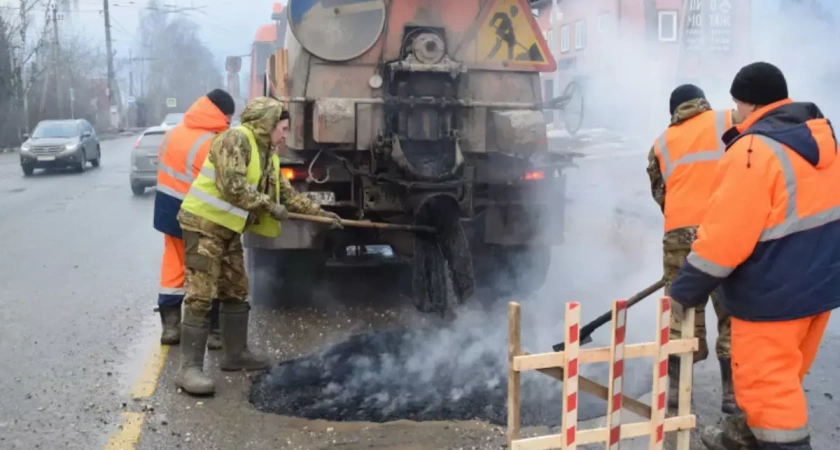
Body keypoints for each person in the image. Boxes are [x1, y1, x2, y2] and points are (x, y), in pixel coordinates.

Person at [669, 61, 840, 450]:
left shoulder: (752, 150)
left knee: (770, 397)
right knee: (784, 378)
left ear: (747, 103)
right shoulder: (821, 141)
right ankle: (743, 440)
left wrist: (685, 289)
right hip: (820, 290)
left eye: (737, 104)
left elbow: (724, 241)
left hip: (773, 298)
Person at [175, 97, 342, 395]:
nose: (284, 135)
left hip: (227, 230)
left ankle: (235, 355)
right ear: (267, 123)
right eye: (283, 128)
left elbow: (288, 195)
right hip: (203, 226)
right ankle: (188, 369)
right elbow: (233, 186)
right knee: (201, 295)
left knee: (236, 289)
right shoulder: (234, 140)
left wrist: (322, 215)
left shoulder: (267, 153)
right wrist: (268, 205)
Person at [647, 84, 741, 414]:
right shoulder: (731, 119)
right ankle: (732, 394)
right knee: (732, 311)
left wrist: (685, 231)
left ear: (674, 110)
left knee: (682, 311)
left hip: (679, 238)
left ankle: (676, 392)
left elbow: (661, 195)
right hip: (727, 229)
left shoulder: (660, 143)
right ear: (703, 102)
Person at [154, 89, 235, 348]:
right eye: (229, 117)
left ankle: (170, 328)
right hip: (197, 212)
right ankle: (212, 332)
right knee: (207, 268)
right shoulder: (213, 142)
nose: (230, 122)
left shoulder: (172, 133)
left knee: (173, 264)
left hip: (167, 207)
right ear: (221, 114)